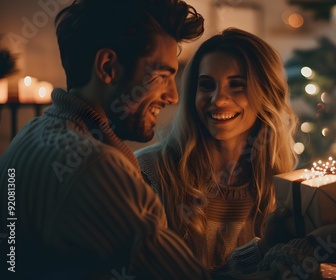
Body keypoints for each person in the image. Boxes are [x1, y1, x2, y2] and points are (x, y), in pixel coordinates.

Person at [0, 0, 209, 279]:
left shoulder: (30, 133)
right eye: (161, 76)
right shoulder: (92, 165)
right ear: (108, 66)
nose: (173, 96)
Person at [135, 28, 336, 275]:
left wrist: (319, 249)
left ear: (266, 94)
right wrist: (271, 249)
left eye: (236, 85)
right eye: (206, 85)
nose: (218, 99)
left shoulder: (281, 183)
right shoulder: (150, 172)